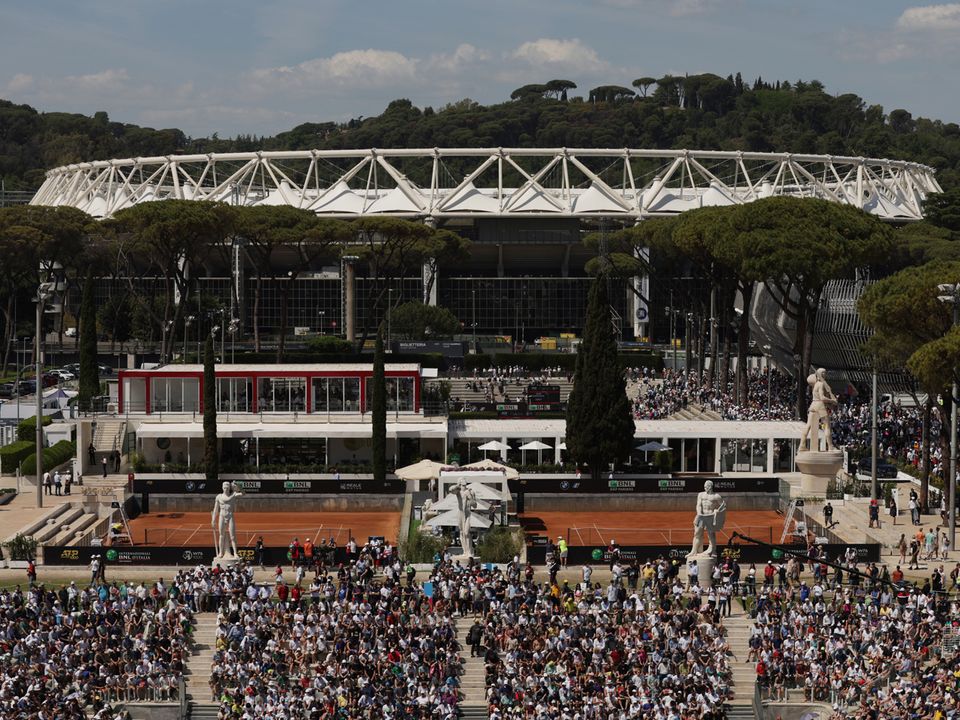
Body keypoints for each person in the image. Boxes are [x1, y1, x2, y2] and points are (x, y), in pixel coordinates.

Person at [800, 368, 837, 451]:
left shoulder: (815, 384)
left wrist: (830, 405)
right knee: (827, 426)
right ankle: (830, 446)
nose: (825, 374)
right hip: (820, 406)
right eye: (824, 373)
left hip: (813, 405)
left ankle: (802, 445)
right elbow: (822, 398)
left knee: (808, 426)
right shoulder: (821, 384)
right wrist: (832, 401)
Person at [690, 479, 727, 556]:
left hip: (710, 517)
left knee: (711, 534)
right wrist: (699, 513)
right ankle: (694, 551)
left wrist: (717, 510)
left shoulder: (716, 496)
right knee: (697, 533)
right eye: (704, 487)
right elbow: (698, 505)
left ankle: (713, 551)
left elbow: (723, 506)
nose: (705, 488)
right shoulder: (700, 494)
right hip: (701, 517)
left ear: (710, 487)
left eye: (706, 487)